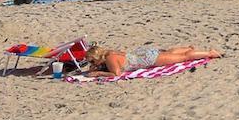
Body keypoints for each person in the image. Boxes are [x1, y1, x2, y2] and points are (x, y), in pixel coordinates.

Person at [87, 44, 223, 78]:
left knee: (184, 58)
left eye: (92, 61)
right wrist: (97, 68)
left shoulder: (110, 59)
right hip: (144, 54)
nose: (91, 64)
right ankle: (187, 48)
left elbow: (116, 74)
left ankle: (209, 53)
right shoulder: (109, 53)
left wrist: (99, 73)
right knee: (169, 53)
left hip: (148, 59)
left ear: (98, 58)